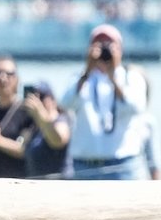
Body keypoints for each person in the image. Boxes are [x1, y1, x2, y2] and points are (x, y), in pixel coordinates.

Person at [60, 23, 152, 180]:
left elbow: (136, 107)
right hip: (85, 165)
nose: (104, 49)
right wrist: (88, 70)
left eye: (109, 45)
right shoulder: (80, 78)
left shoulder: (131, 77)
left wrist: (113, 75)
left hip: (123, 165)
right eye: (98, 44)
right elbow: (65, 104)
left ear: (120, 49)